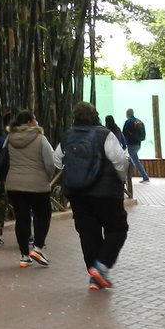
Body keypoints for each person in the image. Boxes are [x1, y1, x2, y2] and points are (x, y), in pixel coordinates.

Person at [59, 101, 130, 290]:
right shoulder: (104, 134)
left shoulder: (67, 135)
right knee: (117, 229)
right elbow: (120, 161)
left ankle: (94, 276)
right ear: (95, 115)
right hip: (106, 193)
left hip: (77, 194)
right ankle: (102, 266)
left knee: (88, 233)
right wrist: (121, 180)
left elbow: (57, 160)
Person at [2, 109, 60, 267]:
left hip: (14, 184)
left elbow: (4, 159)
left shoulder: (10, 138)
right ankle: (38, 248)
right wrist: (47, 177)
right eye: (34, 119)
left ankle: (24, 256)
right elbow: (49, 162)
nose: (36, 121)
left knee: (22, 218)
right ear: (29, 122)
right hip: (37, 184)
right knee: (43, 215)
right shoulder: (40, 138)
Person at [121, 108, 149, 183]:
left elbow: (123, 133)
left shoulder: (128, 122)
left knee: (134, 161)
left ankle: (145, 177)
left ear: (127, 114)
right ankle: (129, 177)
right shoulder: (138, 121)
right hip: (138, 144)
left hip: (131, 144)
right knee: (132, 160)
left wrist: (123, 143)